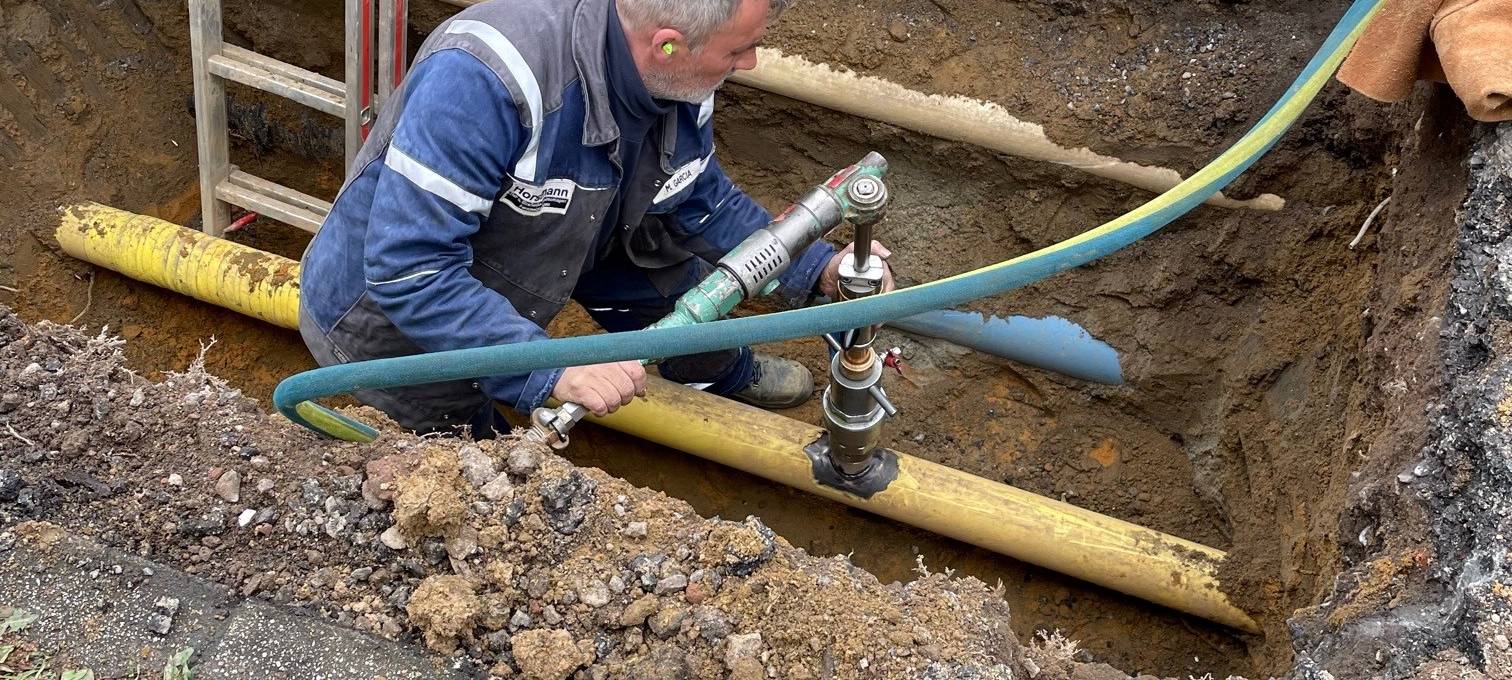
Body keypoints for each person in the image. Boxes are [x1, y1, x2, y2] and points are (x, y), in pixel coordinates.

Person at [298, 0, 892, 436]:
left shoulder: (681, 70)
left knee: (674, 283)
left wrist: (816, 266)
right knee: (477, 478)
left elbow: (697, 193)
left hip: (581, 234)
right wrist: (550, 372)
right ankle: (474, 424)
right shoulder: (486, 80)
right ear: (666, 44)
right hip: (394, 330)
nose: (752, 62)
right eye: (738, 51)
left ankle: (718, 372)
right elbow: (411, 271)